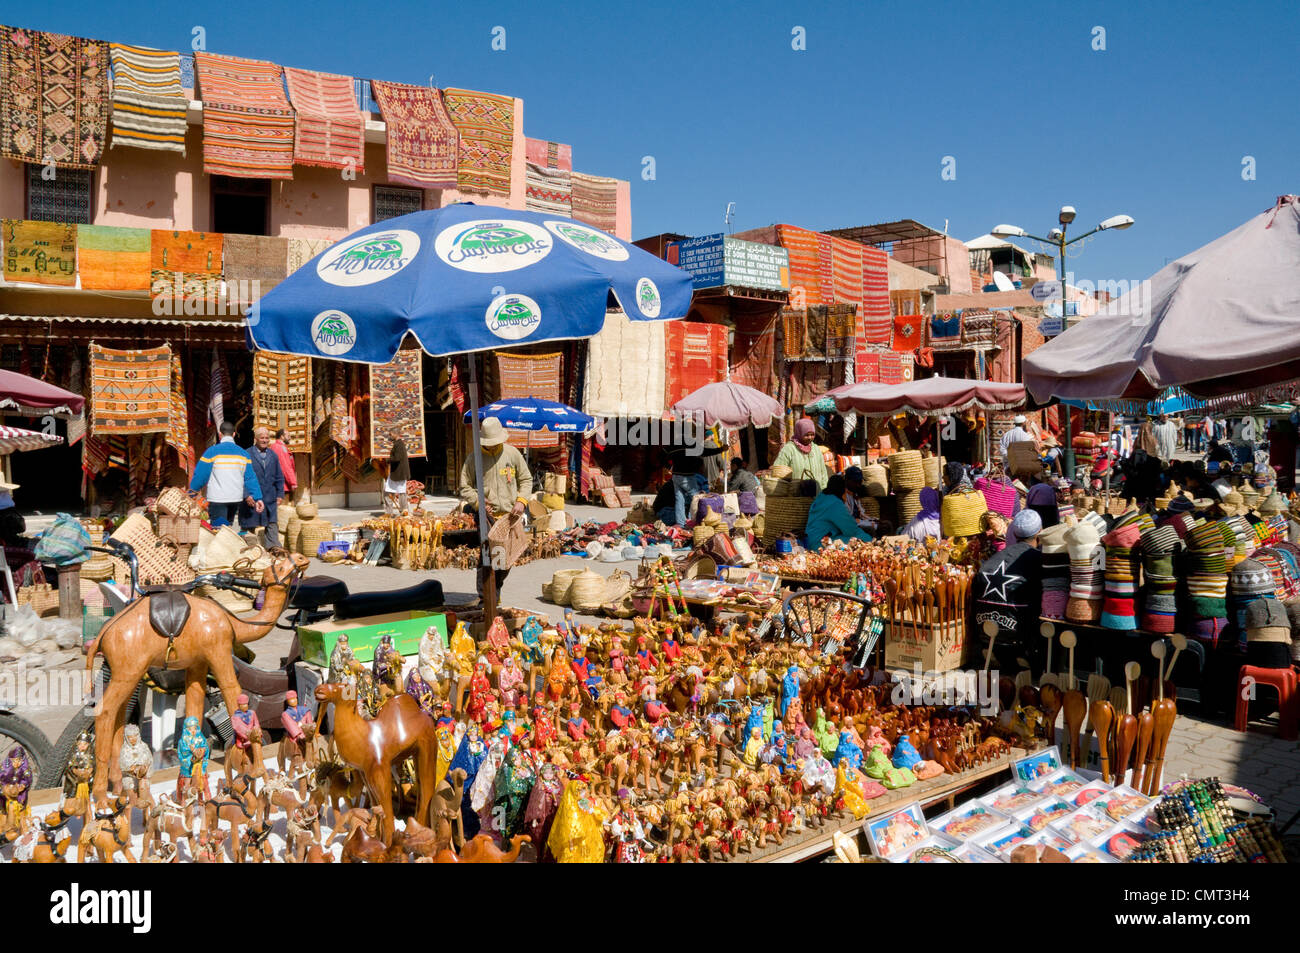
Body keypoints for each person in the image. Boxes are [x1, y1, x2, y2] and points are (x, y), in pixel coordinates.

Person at [458, 417, 533, 599]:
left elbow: (526, 479)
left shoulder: (512, 454)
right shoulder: (473, 458)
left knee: (506, 559)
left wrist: (521, 501)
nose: (492, 446)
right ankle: (486, 598)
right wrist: (478, 502)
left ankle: (495, 589)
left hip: (509, 516)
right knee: (488, 558)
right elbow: (464, 486)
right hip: (486, 517)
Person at [190, 421, 263, 529]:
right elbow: (250, 478)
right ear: (234, 434)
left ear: (220, 434)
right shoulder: (244, 454)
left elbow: (201, 475)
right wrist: (258, 498)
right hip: (235, 499)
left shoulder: (212, 452)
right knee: (227, 530)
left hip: (217, 499)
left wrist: (192, 492)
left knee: (218, 532)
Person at [663, 421, 725, 525]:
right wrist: (720, 449)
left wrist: (668, 467)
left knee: (680, 499)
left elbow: (663, 453)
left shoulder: (674, 442)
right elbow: (705, 452)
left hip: (676, 475)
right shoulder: (690, 442)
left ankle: (681, 523)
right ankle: (696, 521)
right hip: (687, 476)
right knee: (696, 498)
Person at [241, 427, 283, 546]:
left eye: (267, 438)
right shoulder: (247, 454)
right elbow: (240, 477)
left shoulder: (273, 455)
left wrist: (280, 494)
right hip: (252, 498)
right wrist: (246, 495)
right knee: (249, 528)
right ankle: (248, 552)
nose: (265, 440)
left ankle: (274, 550)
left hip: (270, 496)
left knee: (272, 524)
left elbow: (279, 476)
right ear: (256, 439)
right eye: (262, 438)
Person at [805, 474, 872, 548]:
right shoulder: (834, 503)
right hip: (819, 544)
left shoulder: (822, 497)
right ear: (842, 489)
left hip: (811, 540)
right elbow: (850, 530)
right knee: (864, 538)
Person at [773, 418, 829, 488]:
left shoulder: (816, 449)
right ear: (799, 433)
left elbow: (823, 472)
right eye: (806, 435)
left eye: (812, 435)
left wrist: (824, 489)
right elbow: (778, 472)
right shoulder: (788, 449)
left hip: (818, 494)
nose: (810, 438)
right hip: (797, 495)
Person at [383, 433, 411, 516]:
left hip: (399, 473)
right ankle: (400, 512)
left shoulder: (399, 444)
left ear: (396, 434)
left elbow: (397, 458)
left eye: (391, 434)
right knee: (394, 492)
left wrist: (388, 460)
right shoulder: (399, 444)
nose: (390, 436)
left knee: (391, 493)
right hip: (398, 473)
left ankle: (400, 512)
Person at [270, 429, 298, 502]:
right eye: (288, 436)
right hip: (283, 485)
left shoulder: (279, 447)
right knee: (284, 510)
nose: (290, 438)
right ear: (282, 436)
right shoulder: (279, 447)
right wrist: (292, 482)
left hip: (282, 484)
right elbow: (285, 466)